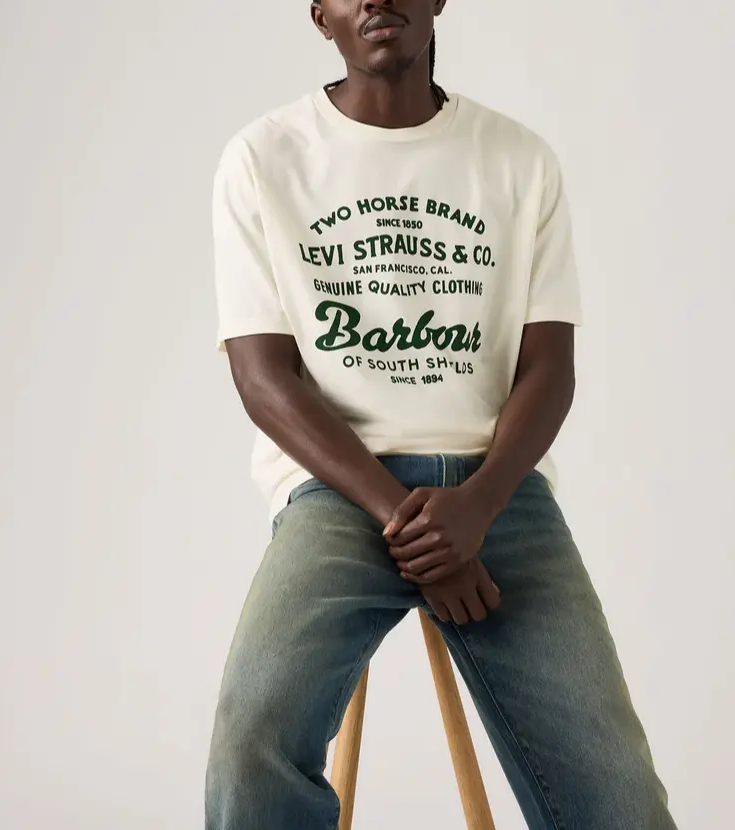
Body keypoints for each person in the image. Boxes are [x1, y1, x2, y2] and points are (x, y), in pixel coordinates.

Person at [205, 1, 677, 828]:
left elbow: (549, 369)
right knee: (254, 743)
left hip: (498, 491)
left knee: (619, 798)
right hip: (339, 493)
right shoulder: (264, 157)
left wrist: (479, 506)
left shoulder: (518, 159)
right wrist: (411, 526)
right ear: (319, 16)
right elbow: (262, 378)